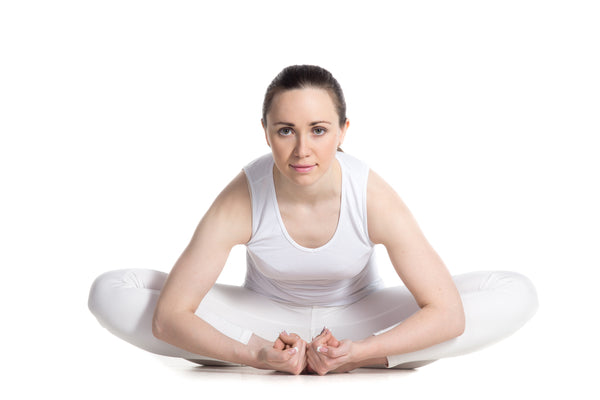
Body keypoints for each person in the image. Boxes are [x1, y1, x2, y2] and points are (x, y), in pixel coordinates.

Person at [88, 65, 538, 375]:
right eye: (286, 130)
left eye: (319, 130)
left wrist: (361, 351)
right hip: (264, 326)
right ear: (265, 131)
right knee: (112, 290)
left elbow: (448, 315)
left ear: (343, 131)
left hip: (359, 322)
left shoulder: (372, 195)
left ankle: (349, 359)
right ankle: (277, 358)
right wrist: (254, 353)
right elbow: (170, 317)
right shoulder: (242, 196)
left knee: (516, 291)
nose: (302, 150)